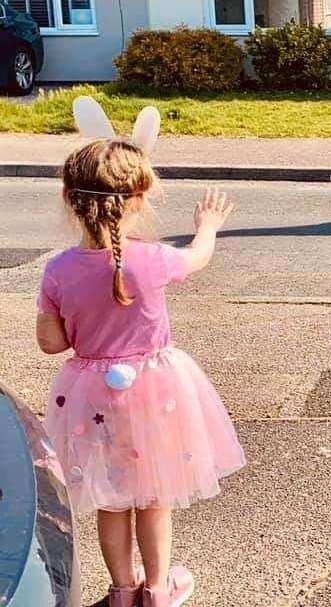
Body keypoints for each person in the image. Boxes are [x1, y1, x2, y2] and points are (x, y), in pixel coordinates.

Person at [36, 127, 244, 607]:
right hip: (156, 389)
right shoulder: (153, 259)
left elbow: (50, 342)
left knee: (110, 496)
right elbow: (198, 257)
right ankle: (157, 589)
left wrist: (80, 328)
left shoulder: (59, 270)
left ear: (69, 198)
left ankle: (122, 591)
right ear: (138, 199)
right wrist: (208, 225)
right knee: (154, 494)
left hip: (90, 395)